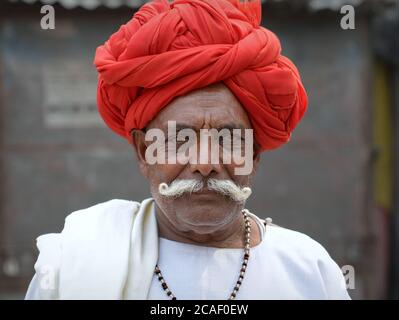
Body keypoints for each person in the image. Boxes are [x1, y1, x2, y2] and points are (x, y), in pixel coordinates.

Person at [25, 0, 350, 300]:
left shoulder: (312, 273)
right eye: (179, 139)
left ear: (254, 155)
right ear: (142, 151)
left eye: (227, 138)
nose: (205, 163)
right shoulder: (72, 266)